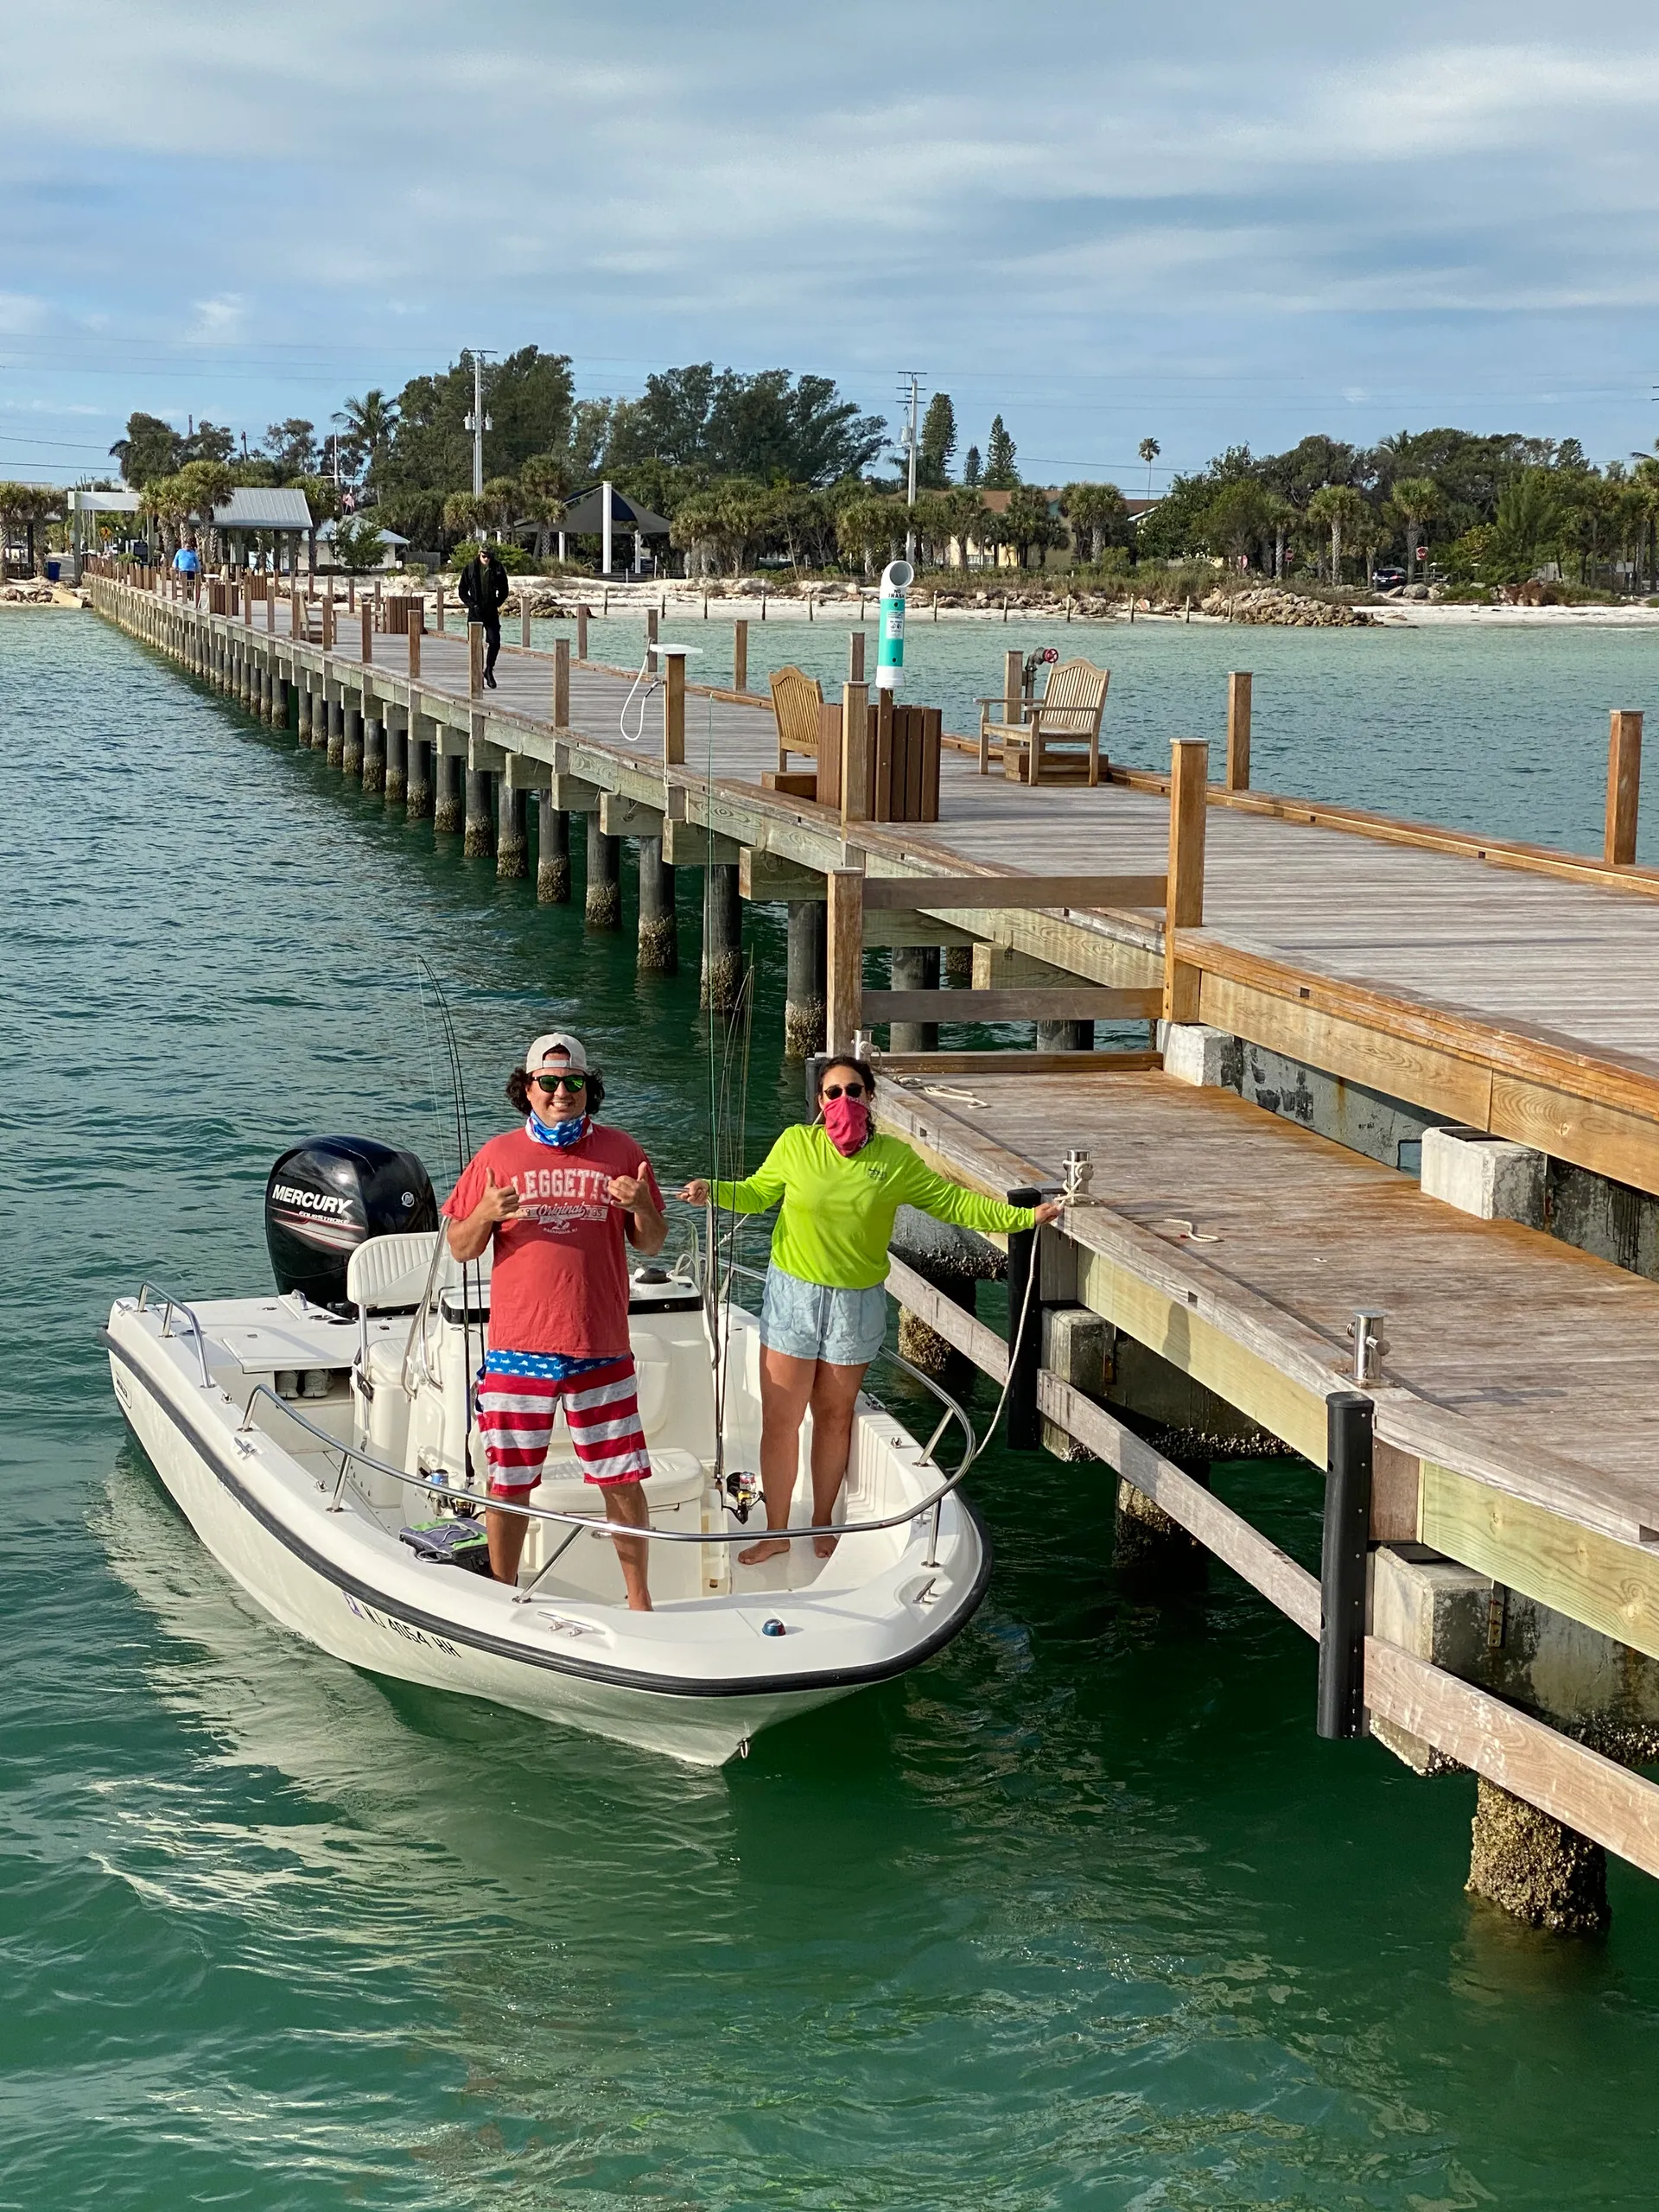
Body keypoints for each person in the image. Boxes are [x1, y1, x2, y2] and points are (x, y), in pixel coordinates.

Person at [681, 1057, 1062, 1566]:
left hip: (855, 1303)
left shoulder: (896, 1160)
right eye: (832, 1092)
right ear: (819, 1102)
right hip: (793, 1296)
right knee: (781, 1419)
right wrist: (714, 1191)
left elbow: (956, 1206)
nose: (843, 1101)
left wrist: (1024, 1217)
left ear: (870, 1097)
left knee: (835, 1417)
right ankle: (775, 1531)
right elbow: (756, 1194)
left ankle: (821, 1522)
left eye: (853, 1091)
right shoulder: (796, 1144)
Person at [442, 1031, 667, 1605]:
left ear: (589, 1088)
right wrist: (486, 1213)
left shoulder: (622, 1152)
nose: (560, 1092)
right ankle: (501, 1588)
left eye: (572, 1083)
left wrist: (641, 1206)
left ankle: (639, 1598)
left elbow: (651, 1244)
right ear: (527, 1089)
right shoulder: (497, 1156)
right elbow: (463, 1248)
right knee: (510, 1480)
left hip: (602, 1344)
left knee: (620, 1477)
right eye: (548, 1082)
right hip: (519, 1346)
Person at [457, 541, 510, 688]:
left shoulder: (498, 568)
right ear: (479, 554)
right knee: (475, 644)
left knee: (495, 642)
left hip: (491, 611)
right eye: (484, 555)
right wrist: (472, 604)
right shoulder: (470, 568)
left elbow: (504, 590)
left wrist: (497, 603)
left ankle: (489, 670)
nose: (486, 559)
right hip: (475, 612)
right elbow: (462, 590)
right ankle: (477, 674)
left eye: (489, 556)